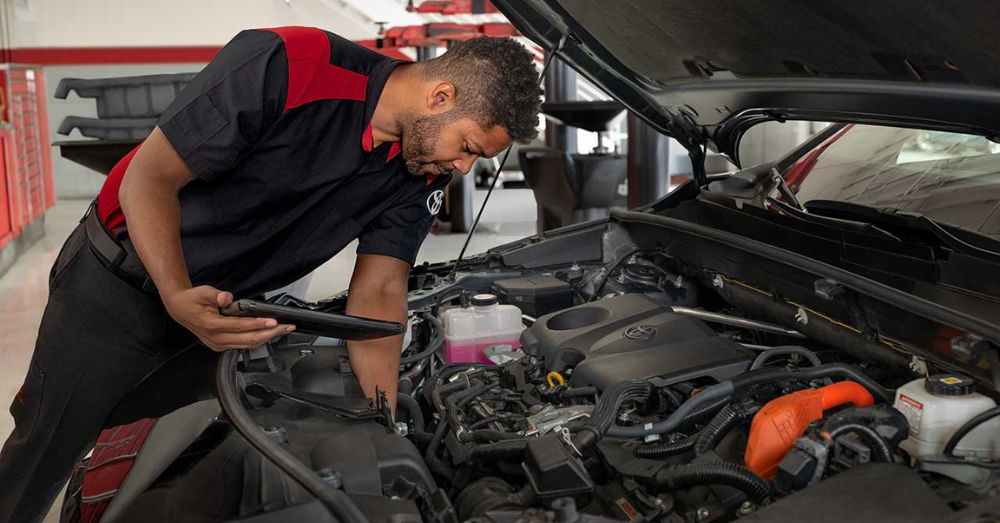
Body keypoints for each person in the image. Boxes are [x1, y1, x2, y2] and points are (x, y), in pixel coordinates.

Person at [0, 26, 542, 522]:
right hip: (121, 286)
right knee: (46, 451)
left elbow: (379, 288)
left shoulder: (418, 171)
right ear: (440, 97)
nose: (464, 168)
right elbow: (150, 176)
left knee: (170, 461)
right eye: (468, 148)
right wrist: (175, 293)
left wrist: (387, 422)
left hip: (222, 314)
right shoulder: (291, 65)